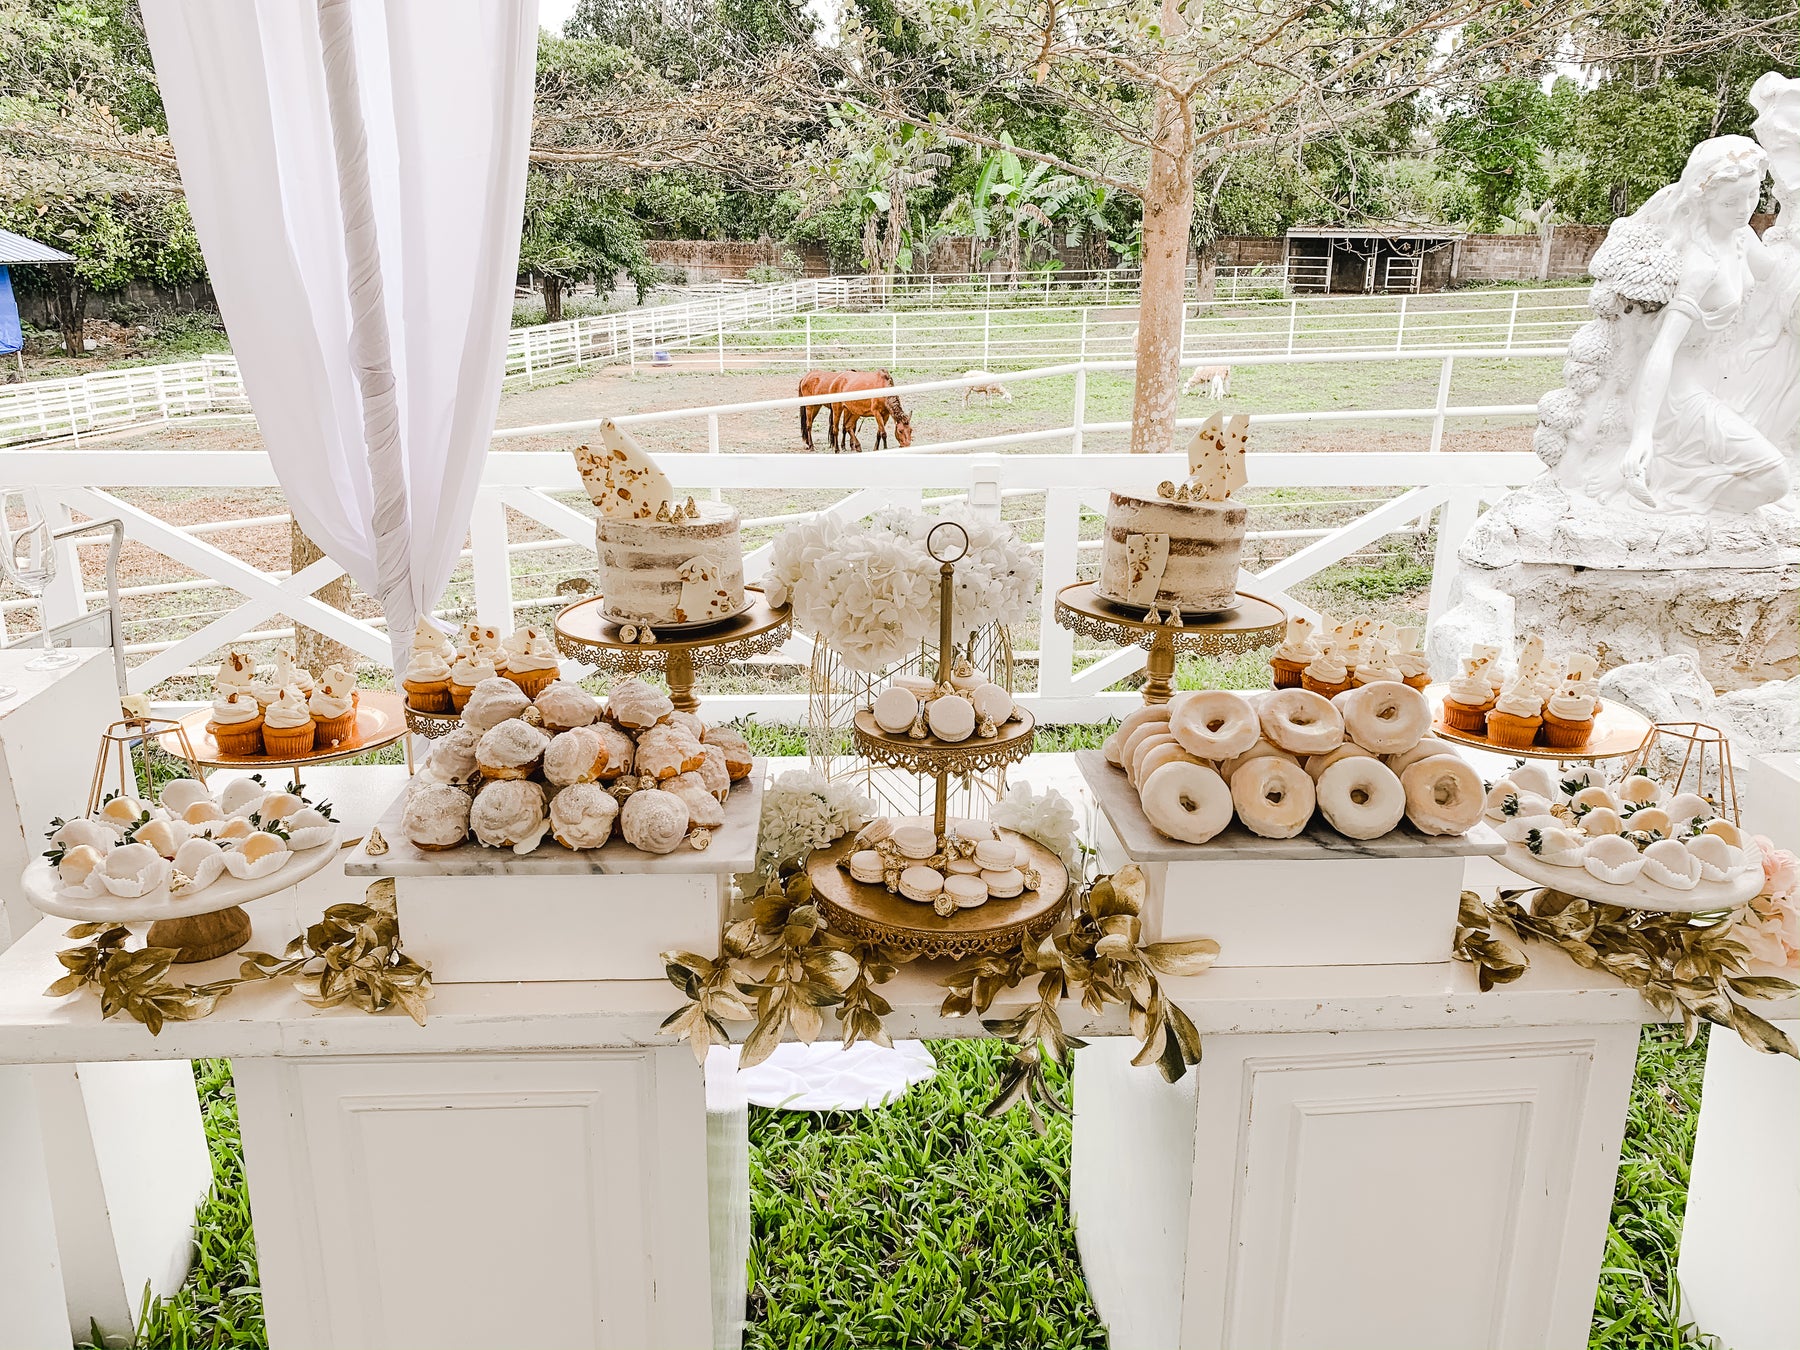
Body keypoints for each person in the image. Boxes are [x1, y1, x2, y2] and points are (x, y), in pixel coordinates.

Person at [1616, 136, 1792, 514]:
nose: (1745, 210)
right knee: (1775, 478)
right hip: (1677, 396)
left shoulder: (1742, 236)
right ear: (1702, 200)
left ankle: (1692, 495)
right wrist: (1641, 435)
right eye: (1731, 201)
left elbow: (1776, 270)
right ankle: (1676, 499)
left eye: (1752, 197)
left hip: (1722, 376)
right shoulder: (1701, 265)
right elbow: (1662, 350)